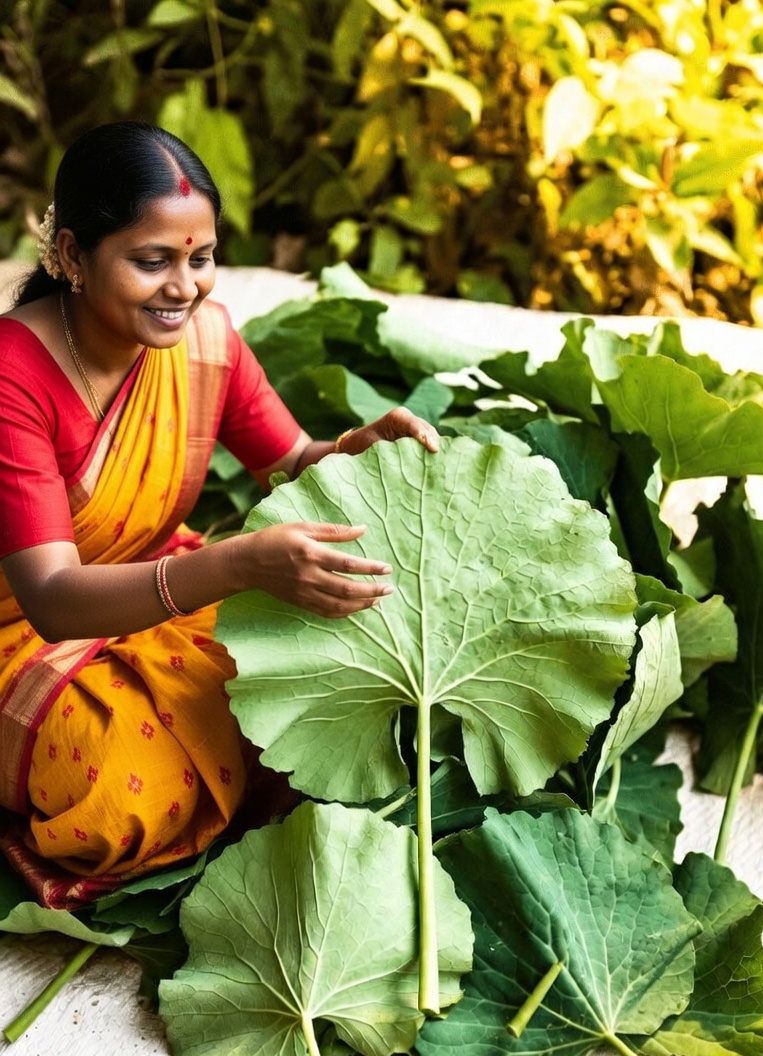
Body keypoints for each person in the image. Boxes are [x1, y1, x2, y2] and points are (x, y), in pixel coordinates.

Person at [0, 121, 439, 906]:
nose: (185, 287)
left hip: (159, 597)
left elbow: (293, 465)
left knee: (333, 677)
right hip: (24, 636)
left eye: (199, 259)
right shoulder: (12, 378)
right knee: (126, 801)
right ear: (70, 255)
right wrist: (238, 562)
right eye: (151, 261)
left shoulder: (208, 342)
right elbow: (54, 600)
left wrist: (361, 450)